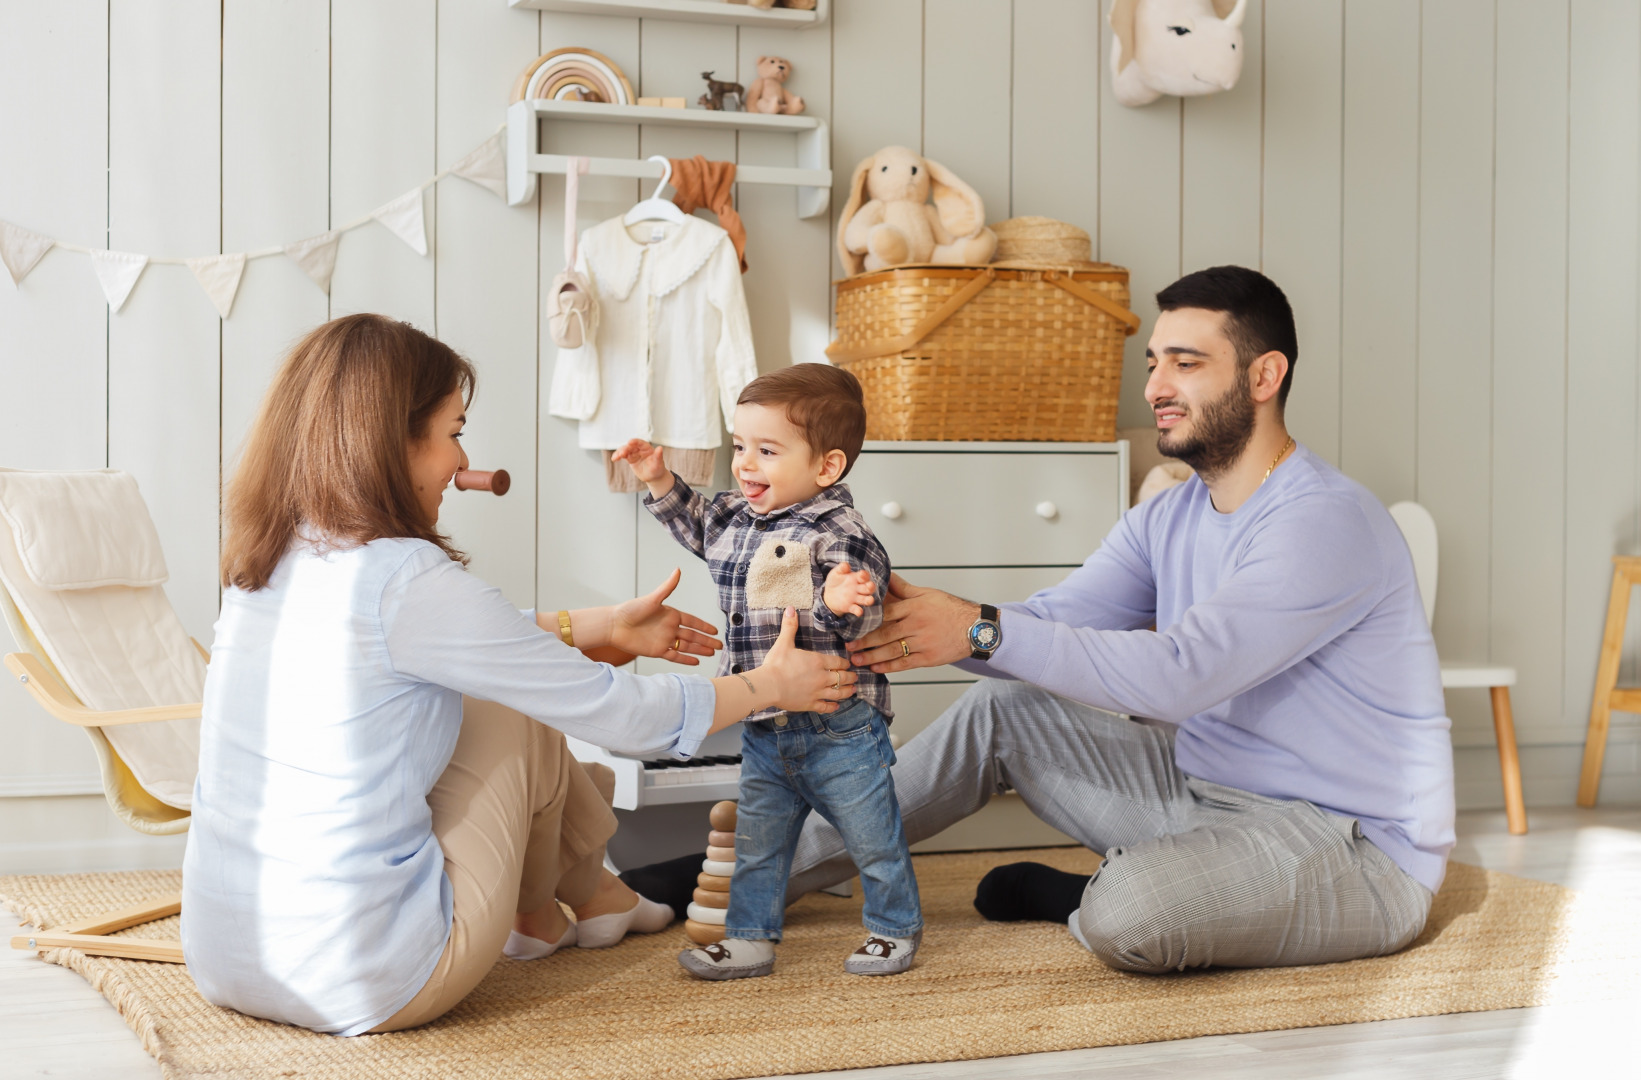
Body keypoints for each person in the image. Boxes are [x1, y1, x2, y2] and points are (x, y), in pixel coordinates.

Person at [634, 265, 1454, 974]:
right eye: (1153, 361)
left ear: (1263, 375)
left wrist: (982, 630)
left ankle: (1103, 891)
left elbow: (1181, 675)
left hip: (1350, 846)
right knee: (1002, 710)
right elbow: (1051, 621)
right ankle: (755, 875)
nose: (1155, 386)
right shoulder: (1168, 518)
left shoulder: (1320, 519)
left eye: (1186, 363)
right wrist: (927, 620)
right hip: (1202, 795)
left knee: (1127, 918)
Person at [180, 314, 856, 1035]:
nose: (457, 460)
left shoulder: (268, 561)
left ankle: (590, 900)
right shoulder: (406, 578)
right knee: (518, 707)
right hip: (367, 979)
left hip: (225, 959)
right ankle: (568, 901)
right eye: (452, 433)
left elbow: (410, 646)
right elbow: (625, 716)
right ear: (392, 442)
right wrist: (768, 685)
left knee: (509, 687)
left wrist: (596, 627)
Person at [614, 363, 920, 980]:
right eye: (739, 447)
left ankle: (893, 928)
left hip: (837, 727)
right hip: (764, 724)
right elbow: (698, 523)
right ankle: (750, 936)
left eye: (767, 450)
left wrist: (839, 603)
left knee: (873, 838)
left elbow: (869, 618)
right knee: (757, 842)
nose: (745, 464)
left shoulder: (843, 536)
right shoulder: (735, 516)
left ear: (826, 467)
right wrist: (656, 479)